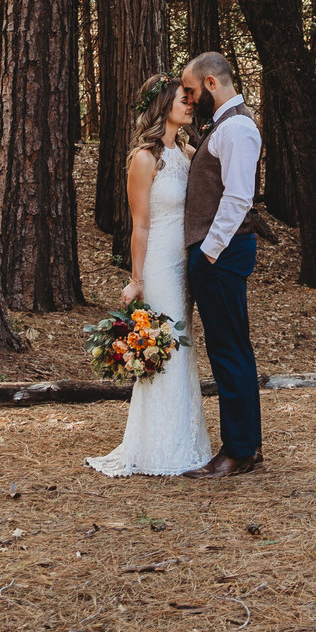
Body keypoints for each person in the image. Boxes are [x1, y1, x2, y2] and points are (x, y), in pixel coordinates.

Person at [84, 74, 215, 478]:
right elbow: (139, 225)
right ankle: (158, 447)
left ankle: (185, 438)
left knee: (184, 347)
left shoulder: (188, 152)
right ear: (163, 106)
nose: (190, 105)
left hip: (185, 264)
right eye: (183, 99)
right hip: (159, 262)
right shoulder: (144, 158)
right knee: (168, 348)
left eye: (191, 100)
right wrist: (136, 278)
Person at [179, 51, 264, 477]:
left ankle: (238, 451)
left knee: (228, 349)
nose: (190, 100)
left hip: (223, 253)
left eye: (192, 90)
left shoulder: (239, 128)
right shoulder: (226, 128)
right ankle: (247, 444)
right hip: (221, 252)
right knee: (232, 347)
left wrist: (209, 251)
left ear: (211, 83)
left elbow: (237, 198)